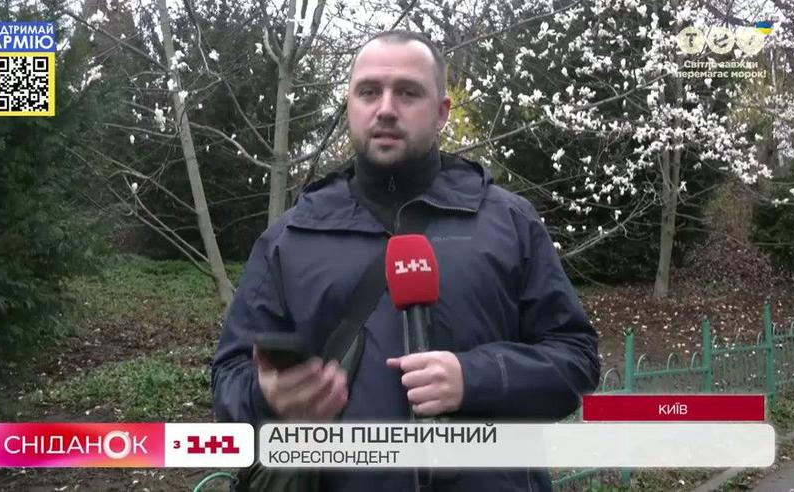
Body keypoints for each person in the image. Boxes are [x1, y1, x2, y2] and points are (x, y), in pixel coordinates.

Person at [212, 30, 600, 492]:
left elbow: (576, 359)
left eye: (408, 92)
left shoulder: (510, 222)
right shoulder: (289, 238)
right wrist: (268, 398)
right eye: (368, 91)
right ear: (350, 105)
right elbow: (228, 381)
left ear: (442, 112)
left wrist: (474, 377)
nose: (386, 109)